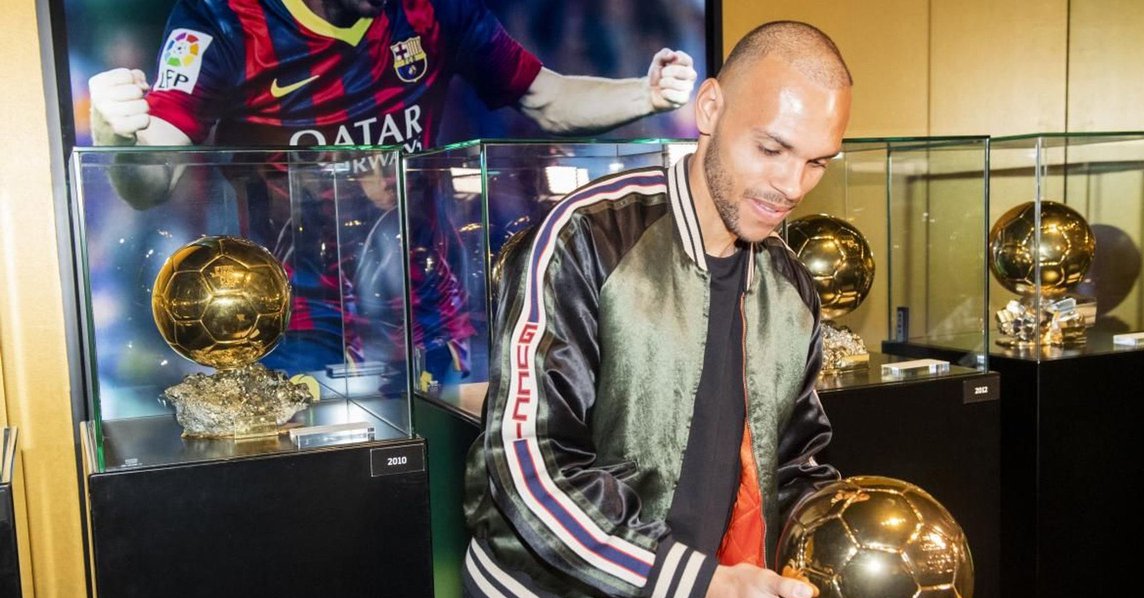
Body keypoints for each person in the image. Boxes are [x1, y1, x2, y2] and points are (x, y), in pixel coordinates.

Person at [455, 21, 949, 598]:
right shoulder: (586, 238)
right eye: (771, 149)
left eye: (817, 162)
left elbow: (795, 473)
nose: (791, 186)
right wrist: (708, 587)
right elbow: (530, 469)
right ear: (710, 108)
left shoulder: (789, 287)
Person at [86, 0, 698, 375]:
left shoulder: (434, 11)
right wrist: (117, 134)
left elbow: (547, 97)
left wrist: (642, 94)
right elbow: (151, 179)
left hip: (430, 319)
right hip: (295, 331)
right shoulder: (222, 19)